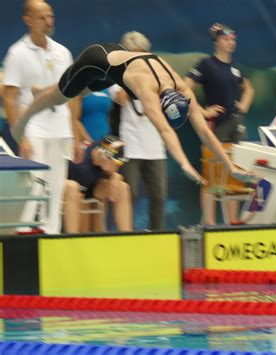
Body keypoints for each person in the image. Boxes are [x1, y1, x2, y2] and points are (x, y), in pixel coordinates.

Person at [11, 41, 256, 191]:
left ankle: (44, 89)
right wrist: (184, 163)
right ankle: (24, 118)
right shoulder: (146, 90)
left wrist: (229, 165)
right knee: (62, 98)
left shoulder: (182, 89)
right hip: (97, 60)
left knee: (81, 90)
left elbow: (203, 130)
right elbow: (165, 131)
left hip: (118, 67)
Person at [3, 0, 77, 234]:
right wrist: (21, 136)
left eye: (51, 16)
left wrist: (74, 132)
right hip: (33, 128)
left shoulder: (62, 52)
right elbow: (10, 98)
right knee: (33, 188)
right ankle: (22, 236)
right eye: (42, 17)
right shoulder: (17, 53)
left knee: (56, 191)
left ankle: (51, 237)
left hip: (60, 129)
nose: (48, 21)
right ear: (28, 20)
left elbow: (72, 95)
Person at [184, 23, 255, 225]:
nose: (231, 43)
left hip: (236, 123)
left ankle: (232, 219)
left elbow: (249, 89)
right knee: (211, 171)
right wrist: (202, 111)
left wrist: (243, 106)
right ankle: (209, 222)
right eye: (226, 39)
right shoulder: (206, 64)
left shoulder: (235, 67)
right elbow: (185, 87)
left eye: (233, 40)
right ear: (216, 42)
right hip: (217, 124)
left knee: (235, 169)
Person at [110, 31, 168, 230]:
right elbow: (119, 97)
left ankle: (157, 234)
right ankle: (127, 235)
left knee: (159, 195)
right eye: (135, 54)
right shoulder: (117, 75)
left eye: (143, 54)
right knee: (130, 193)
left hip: (154, 145)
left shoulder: (158, 73)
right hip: (131, 144)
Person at [63, 135, 132, 233]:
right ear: (102, 153)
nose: (116, 166)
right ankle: (72, 238)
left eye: (119, 163)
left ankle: (127, 236)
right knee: (74, 189)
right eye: (113, 162)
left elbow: (116, 174)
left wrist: (115, 177)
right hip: (69, 186)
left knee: (123, 187)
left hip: (90, 186)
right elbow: (83, 202)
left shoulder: (98, 148)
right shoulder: (82, 164)